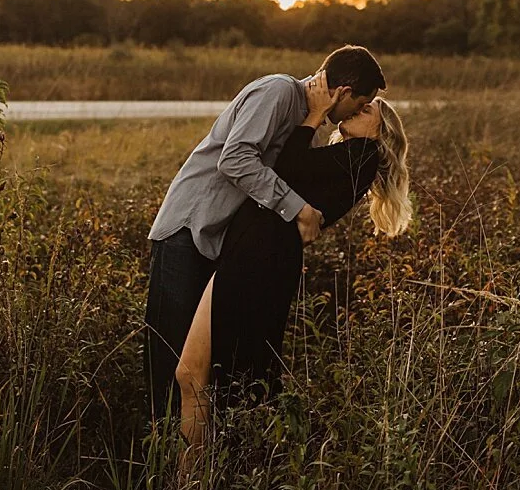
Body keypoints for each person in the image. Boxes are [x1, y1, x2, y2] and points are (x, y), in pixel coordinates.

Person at [144, 45, 387, 422]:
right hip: (189, 231)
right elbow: (235, 160)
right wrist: (300, 209)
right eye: (361, 102)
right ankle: (156, 464)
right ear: (344, 91)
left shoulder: (308, 124)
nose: (358, 112)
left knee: (202, 364)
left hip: (219, 243)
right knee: (171, 361)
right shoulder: (277, 92)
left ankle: (200, 465)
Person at [173, 75, 411, 453]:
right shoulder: (345, 158)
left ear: (381, 132)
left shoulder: (362, 157)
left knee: (207, 375)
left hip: (257, 260)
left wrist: (314, 114)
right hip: (250, 255)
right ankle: (197, 483)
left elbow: (286, 165)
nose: (358, 110)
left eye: (369, 110)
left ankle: (206, 482)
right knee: (201, 374)